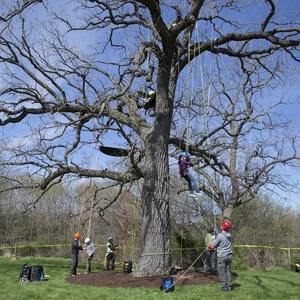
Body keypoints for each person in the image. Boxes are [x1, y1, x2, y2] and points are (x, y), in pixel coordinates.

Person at [208, 221, 233, 292]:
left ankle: (224, 288)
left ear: (222, 227)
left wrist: (213, 238)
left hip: (222, 257)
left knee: (221, 272)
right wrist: (218, 232)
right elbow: (222, 237)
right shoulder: (229, 235)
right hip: (229, 256)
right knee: (227, 271)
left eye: (222, 225)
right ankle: (229, 287)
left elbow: (213, 245)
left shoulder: (219, 236)